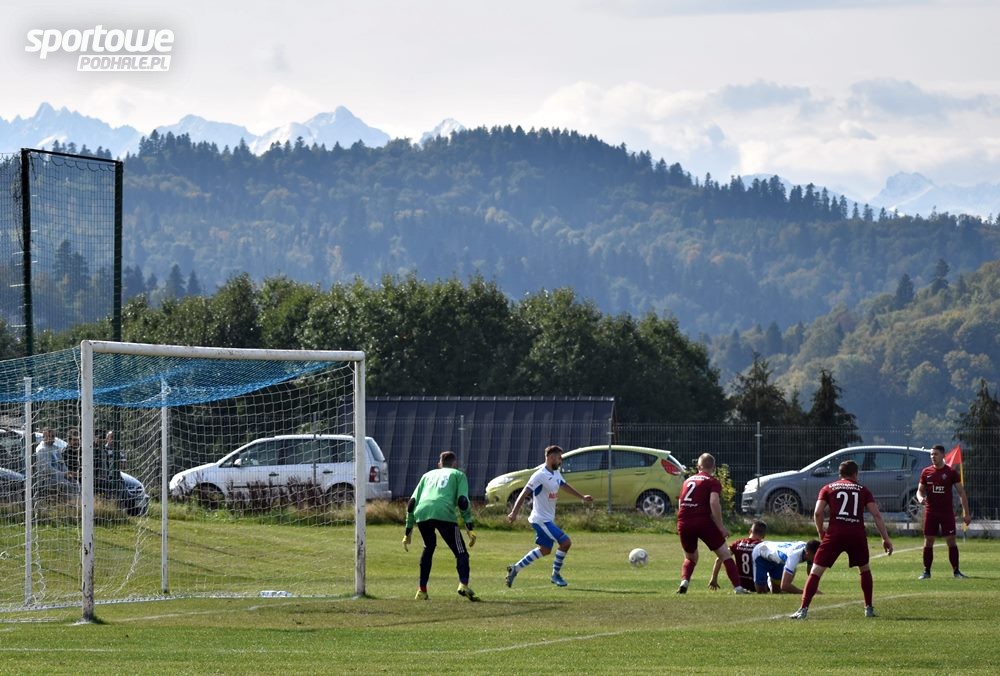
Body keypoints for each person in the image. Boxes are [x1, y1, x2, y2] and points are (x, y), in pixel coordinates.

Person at [790, 459, 893, 619]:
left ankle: (803, 609)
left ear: (840, 474)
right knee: (864, 569)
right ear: (855, 474)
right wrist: (885, 538)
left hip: (835, 533)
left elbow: (817, 512)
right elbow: (876, 515)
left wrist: (820, 531)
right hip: (856, 534)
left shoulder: (828, 488)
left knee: (816, 571)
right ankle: (868, 608)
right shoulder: (863, 490)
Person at [505, 444, 593, 588]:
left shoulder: (556, 473)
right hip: (541, 520)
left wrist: (582, 497)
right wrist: (514, 513)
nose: (560, 461)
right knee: (565, 542)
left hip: (547, 519)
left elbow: (564, 485)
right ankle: (555, 575)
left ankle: (515, 568)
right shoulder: (539, 475)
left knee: (545, 550)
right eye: (559, 458)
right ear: (551, 458)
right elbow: (524, 493)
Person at [402, 450, 479, 601]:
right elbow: (463, 501)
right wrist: (469, 527)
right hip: (444, 512)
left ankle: (422, 591)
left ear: (440, 464)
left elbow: (412, 503)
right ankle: (463, 584)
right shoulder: (458, 475)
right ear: (454, 464)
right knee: (461, 552)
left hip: (422, 512)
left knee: (428, 547)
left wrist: (408, 530)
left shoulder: (427, 475)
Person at [676, 453, 748, 594]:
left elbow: (681, 502)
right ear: (714, 468)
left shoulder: (687, 481)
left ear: (698, 466)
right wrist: (720, 527)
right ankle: (738, 588)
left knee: (690, 557)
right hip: (702, 520)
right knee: (725, 554)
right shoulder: (712, 481)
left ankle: (684, 581)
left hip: (684, 520)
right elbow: (714, 502)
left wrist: (683, 520)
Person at [916, 444, 971, 580]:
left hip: (946, 513)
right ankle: (926, 572)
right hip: (931, 512)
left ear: (943, 455)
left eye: (935, 454)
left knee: (951, 541)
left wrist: (966, 513)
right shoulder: (926, 472)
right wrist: (920, 498)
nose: (932, 457)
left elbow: (961, 493)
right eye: (931, 454)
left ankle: (956, 571)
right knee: (928, 541)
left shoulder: (951, 472)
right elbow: (919, 490)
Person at [709, 520, 767, 592]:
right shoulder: (763, 546)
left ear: (750, 531)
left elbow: (719, 559)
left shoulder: (737, 544)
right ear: (764, 536)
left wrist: (714, 578)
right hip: (758, 585)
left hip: (740, 584)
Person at [750, 539, 820, 594]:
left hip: (778, 559)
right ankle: (769, 579)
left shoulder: (808, 548)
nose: (818, 558)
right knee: (762, 592)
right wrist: (807, 593)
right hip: (761, 553)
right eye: (817, 556)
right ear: (808, 553)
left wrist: (813, 589)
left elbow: (811, 573)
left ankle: (770, 580)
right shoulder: (793, 556)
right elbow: (785, 586)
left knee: (777, 592)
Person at [33, 428, 76, 499]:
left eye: (52, 436)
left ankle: (80, 502)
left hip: (59, 476)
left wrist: (67, 472)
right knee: (67, 485)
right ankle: (69, 504)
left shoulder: (56, 448)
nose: (51, 438)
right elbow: (47, 470)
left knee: (76, 483)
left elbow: (62, 463)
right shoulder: (41, 450)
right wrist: (63, 474)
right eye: (48, 436)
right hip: (46, 479)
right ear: (44, 437)